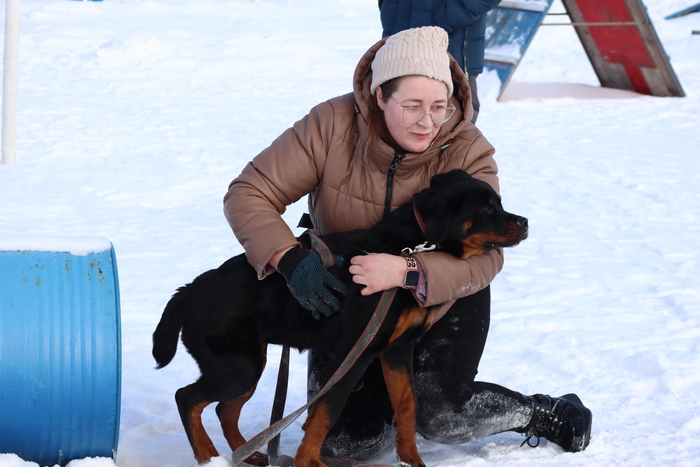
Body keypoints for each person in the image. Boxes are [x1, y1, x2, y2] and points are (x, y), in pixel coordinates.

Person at [223, 26, 592, 462]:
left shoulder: (467, 148)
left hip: (441, 292)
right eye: (412, 106)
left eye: (439, 106)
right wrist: (289, 259)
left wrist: (408, 271)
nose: (428, 121)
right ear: (380, 95)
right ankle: (384, 401)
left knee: (443, 416)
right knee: (346, 444)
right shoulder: (330, 125)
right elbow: (249, 192)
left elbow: (487, 256)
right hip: (349, 290)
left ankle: (538, 412)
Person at [379, 0, 501, 123]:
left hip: (450, 50)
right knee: (395, 120)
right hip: (398, 49)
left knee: (453, 123)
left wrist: (451, 12)